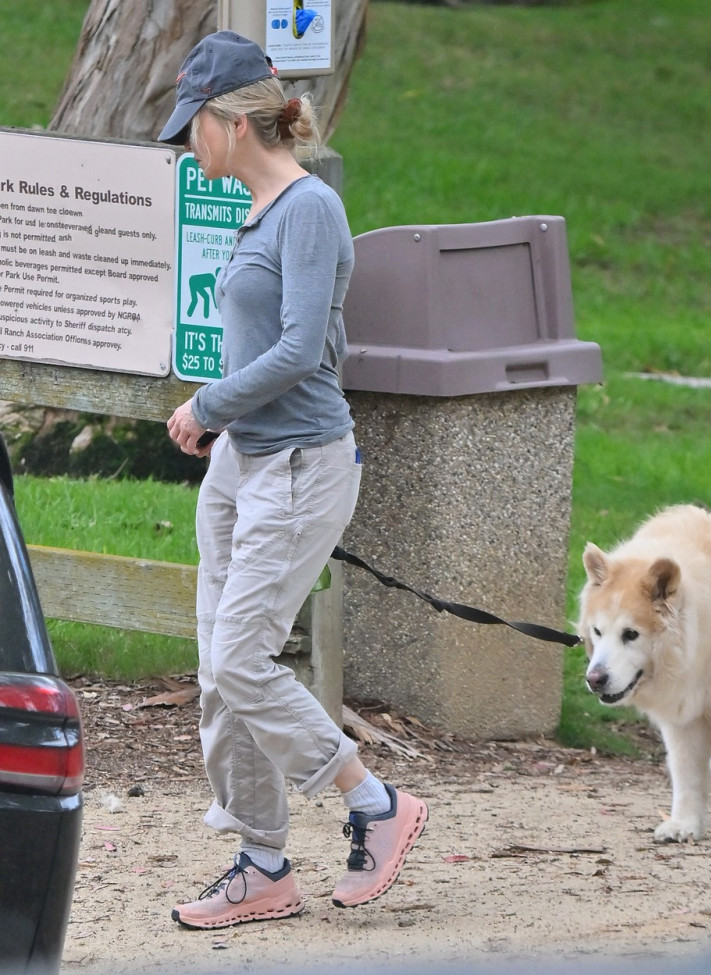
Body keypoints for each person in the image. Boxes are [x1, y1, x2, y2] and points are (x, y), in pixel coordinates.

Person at [158, 30, 428, 929]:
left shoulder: (309, 208)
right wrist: (223, 424)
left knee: (243, 656)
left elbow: (302, 347)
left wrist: (208, 405)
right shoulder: (257, 211)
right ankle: (263, 862)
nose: (185, 145)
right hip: (244, 462)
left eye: (191, 126)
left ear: (231, 122)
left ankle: (375, 806)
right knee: (216, 666)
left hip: (301, 464)